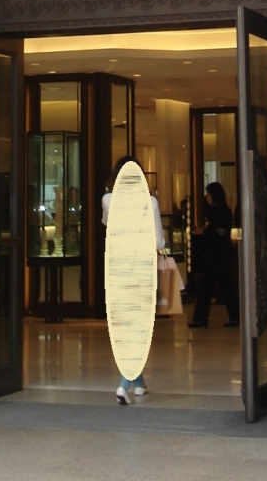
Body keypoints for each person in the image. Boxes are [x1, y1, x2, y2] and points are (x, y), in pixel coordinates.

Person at [102, 155, 167, 405]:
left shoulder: (108, 200)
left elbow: (107, 225)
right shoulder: (150, 202)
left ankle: (138, 382)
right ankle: (124, 384)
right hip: (141, 269)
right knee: (137, 328)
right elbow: (158, 241)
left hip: (118, 268)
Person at [189, 181, 239, 329]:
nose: (207, 197)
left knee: (207, 287)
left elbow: (218, 233)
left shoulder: (222, 212)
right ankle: (234, 316)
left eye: (209, 194)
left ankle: (201, 319)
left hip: (217, 255)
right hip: (220, 255)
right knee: (225, 286)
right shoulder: (220, 211)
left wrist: (204, 232)